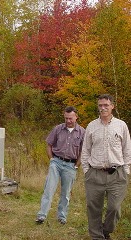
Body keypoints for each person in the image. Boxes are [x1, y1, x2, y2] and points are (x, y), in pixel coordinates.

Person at [81, 94, 131, 240]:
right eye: (100, 105)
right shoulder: (91, 126)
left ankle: (106, 230)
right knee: (93, 208)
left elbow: (127, 149)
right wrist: (86, 170)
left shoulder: (121, 125)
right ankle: (97, 236)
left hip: (117, 174)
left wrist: (126, 170)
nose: (103, 108)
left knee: (114, 208)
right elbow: (85, 150)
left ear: (112, 106)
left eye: (106, 105)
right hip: (95, 174)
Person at [36, 106, 85, 225]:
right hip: (56, 163)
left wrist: (77, 166)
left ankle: (62, 216)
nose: (68, 121)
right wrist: (52, 159)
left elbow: (84, 151)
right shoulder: (58, 129)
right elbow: (49, 144)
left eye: (70, 118)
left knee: (66, 193)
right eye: (66, 118)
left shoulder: (82, 132)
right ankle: (42, 215)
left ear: (76, 117)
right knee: (49, 189)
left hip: (71, 165)